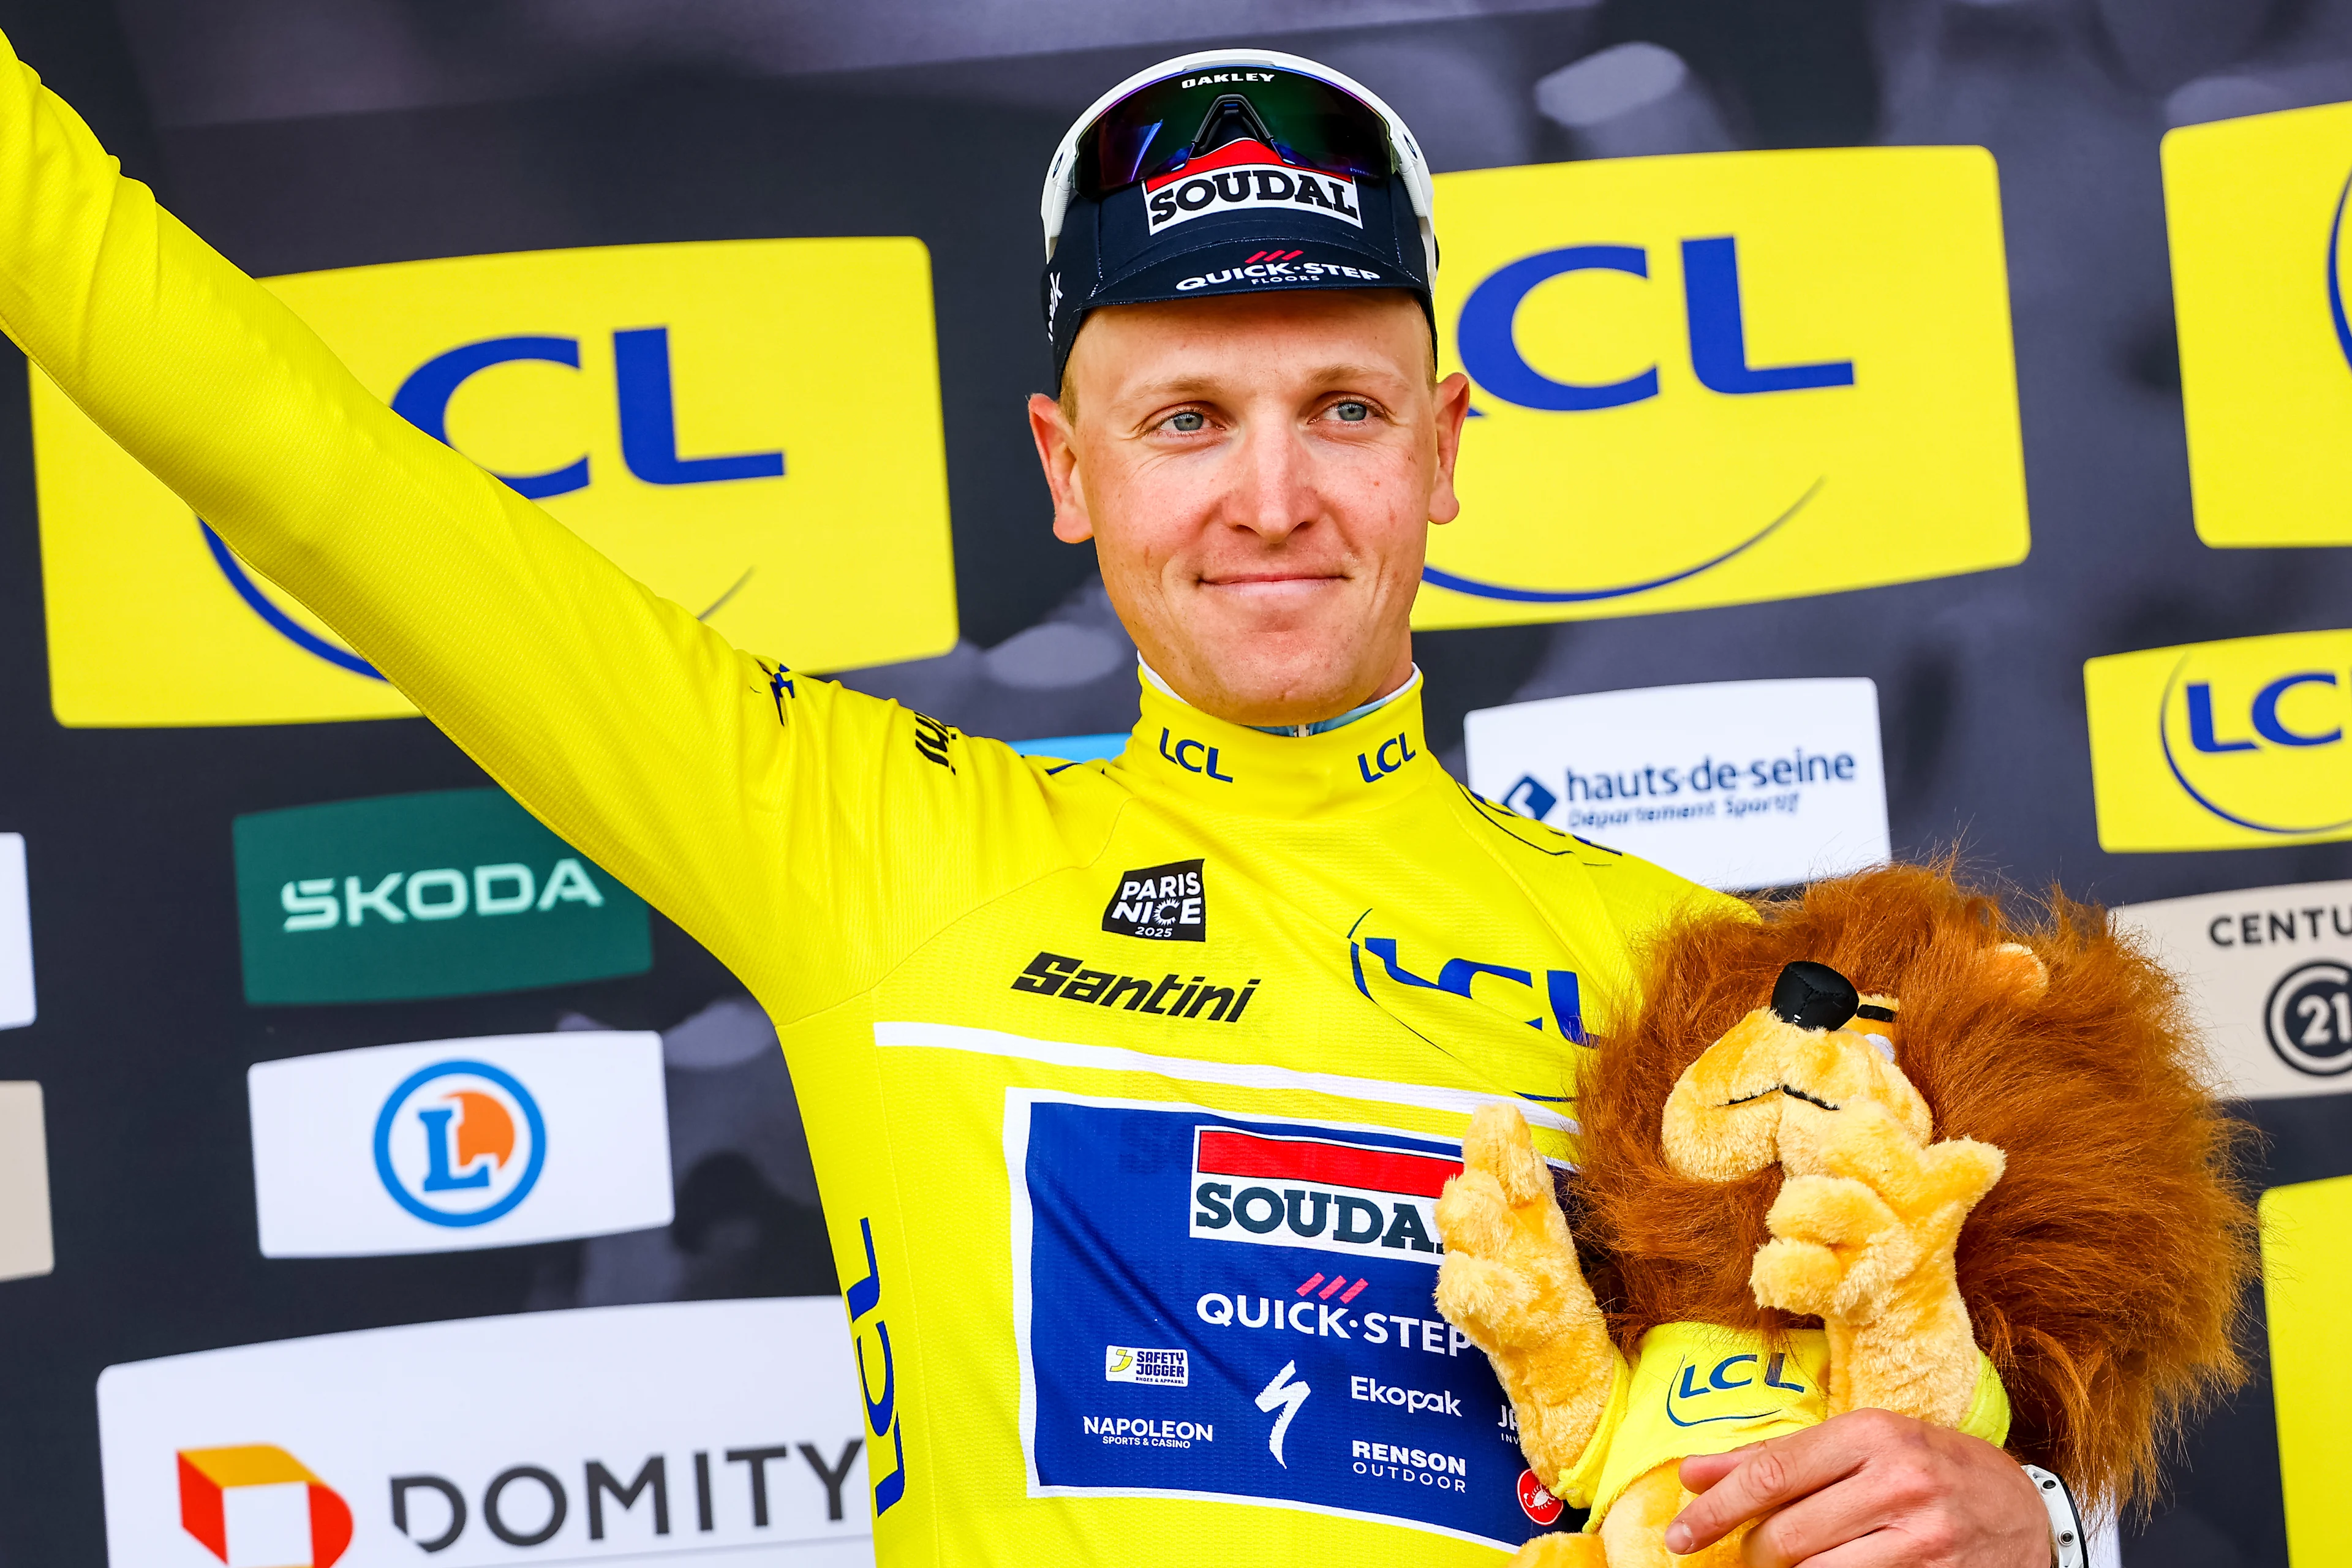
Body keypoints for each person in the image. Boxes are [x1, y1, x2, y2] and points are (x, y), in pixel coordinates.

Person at [0, 32, 2062, 1567]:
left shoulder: (1700, 987)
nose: (1271, 497)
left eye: (1342, 408)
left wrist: (2008, 1517)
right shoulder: (856, 837)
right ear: (1069, 470)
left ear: (1444, 448)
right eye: (1186, 417)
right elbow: (288, 448)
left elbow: (1831, 1460)